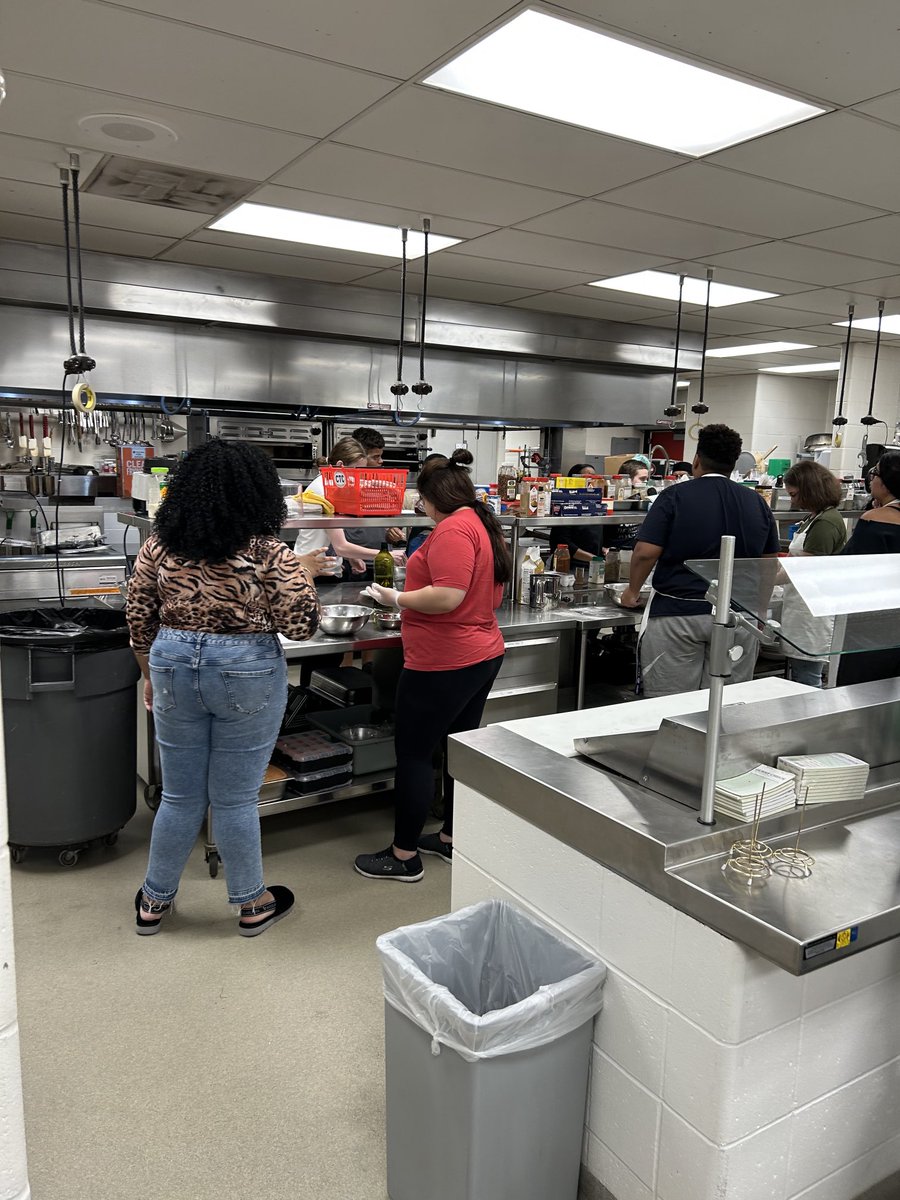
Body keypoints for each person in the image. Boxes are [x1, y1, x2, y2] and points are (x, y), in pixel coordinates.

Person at [125, 439, 321, 937]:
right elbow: (300, 626)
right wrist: (304, 574)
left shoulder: (160, 546)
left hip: (170, 663)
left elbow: (137, 616)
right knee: (233, 799)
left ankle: (153, 901)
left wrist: (150, 673)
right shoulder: (268, 551)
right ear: (259, 493)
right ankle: (252, 904)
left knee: (179, 795)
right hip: (245, 667)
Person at [353, 448, 511, 881]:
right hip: (479, 652)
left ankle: (403, 856)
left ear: (431, 497)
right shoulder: (479, 523)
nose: (419, 508)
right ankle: (450, 839)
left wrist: (395, 597)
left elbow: (448, 596)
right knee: (457, 747)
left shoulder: (453, 530)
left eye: (420, 501)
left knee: (416, 756)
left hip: (445, 659)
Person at [621, 424, 779, 698]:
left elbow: (645, 552)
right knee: (725, 703)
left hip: (678, 614)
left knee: (671, 703)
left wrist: (632, 591)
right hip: (738, 616)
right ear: (733, 464)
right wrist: (761, 612)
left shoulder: (675, 496)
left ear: (696, 460)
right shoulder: (756, 502)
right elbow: (767, 564)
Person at [779, 461, 848, 687]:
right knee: (800, 673)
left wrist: (762, 580)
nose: (792, 500)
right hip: (801, 606)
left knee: (807, 677)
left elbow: (804, 567)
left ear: (810, 490)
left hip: (813, 610)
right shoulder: (815, 517)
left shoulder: (827, 522)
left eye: (794, 494)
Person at [295, 437, 404, 577]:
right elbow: (341, 546)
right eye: (356, 471)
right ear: (341, 466)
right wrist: (387, 555)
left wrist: (351, 557)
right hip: (312, 571)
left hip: (324, 569)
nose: (359, 478)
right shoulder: (324, 490)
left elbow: (330, 534)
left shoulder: (329, 486)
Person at [836, 449, 900, 686]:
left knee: (861, 695)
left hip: (872, 628)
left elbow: (848, 566)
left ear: (886, 482)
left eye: (874, 473)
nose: (871, 478)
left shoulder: (876, 520)